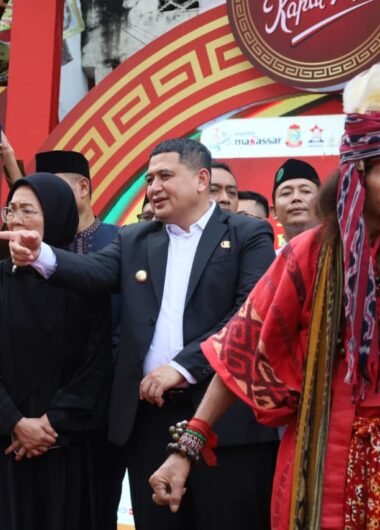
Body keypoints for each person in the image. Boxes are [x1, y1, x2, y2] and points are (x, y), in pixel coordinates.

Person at [0, 138, 279, 530]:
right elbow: (93, 271)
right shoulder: (135, 238)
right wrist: (39, 253)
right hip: (149, 421)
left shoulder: (250, 234)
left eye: (165, 176)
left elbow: (247, 317)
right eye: (149, 179)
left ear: (201, 180)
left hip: (225, 421)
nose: (154, 187)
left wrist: (182, 367)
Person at [149, 64, 380, 530]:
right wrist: (187, 447)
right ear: (356, 171)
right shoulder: (312, 255)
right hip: (326, 467)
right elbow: (241, 351)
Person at [0, 173, 112, 530]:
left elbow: (94, 366)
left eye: (28, 210)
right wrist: (15, 423)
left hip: (62, 445)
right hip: (3, 444)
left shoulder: (83, 280)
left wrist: (50, 424)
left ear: (56, 216)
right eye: (11, 210)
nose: (16, 219)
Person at [34, 149, 124, 528]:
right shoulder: (37, 245)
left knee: (98, 506)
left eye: (55, 189)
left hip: (109, 399)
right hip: (46, 405)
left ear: (83, 187)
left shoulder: (121, 240)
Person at [271, 158, 321, 250]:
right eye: (286, 193)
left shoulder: (340, 255)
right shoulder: (271, 258)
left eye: (305, 191)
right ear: (274, 212)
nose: (296, 198)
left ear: (322, 206)